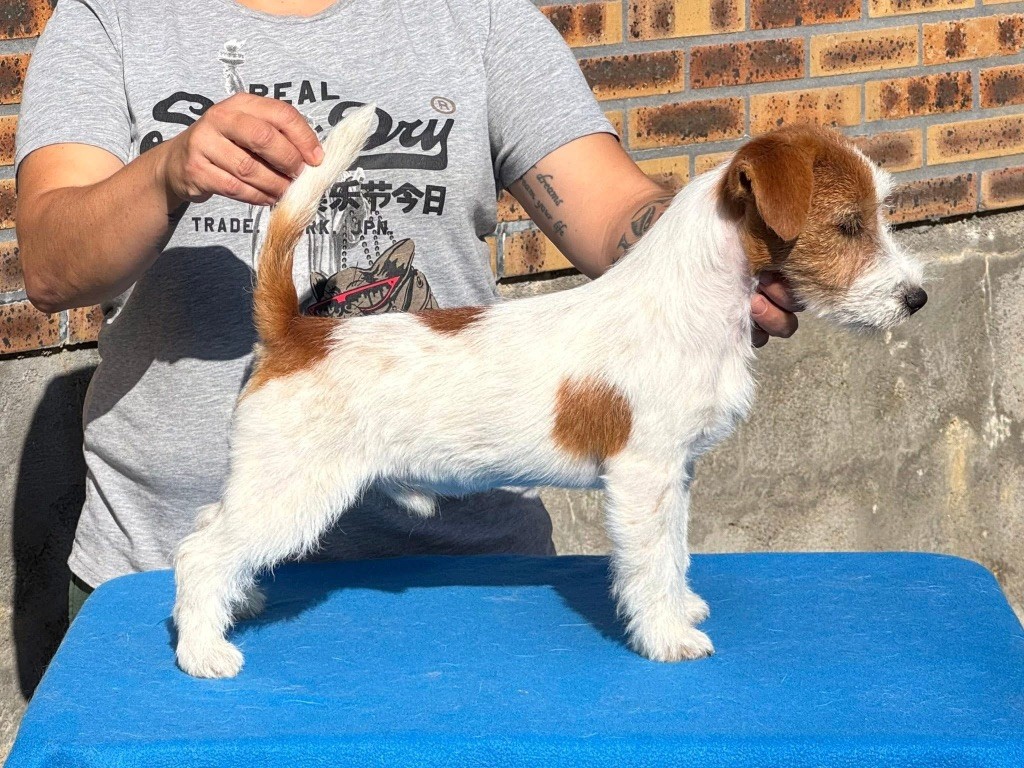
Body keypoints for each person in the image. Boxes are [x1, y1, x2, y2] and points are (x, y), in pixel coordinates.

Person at [14, 0, 800, 620]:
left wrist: (720, 247)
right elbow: (48, 268)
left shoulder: (478, 16)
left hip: (468, 566)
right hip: (151, 563)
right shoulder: (109, 16)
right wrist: (168, 172)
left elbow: (613, 211)